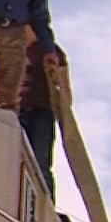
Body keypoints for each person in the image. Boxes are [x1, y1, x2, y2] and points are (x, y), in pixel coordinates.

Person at [17, 34, 68, 194]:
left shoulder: (51, 50)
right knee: (13, 159)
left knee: (41, 163)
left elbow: (65, 86)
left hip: (42, 112)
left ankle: (45, 209)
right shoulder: (14, 47)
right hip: (17, 110)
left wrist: (63, 110)